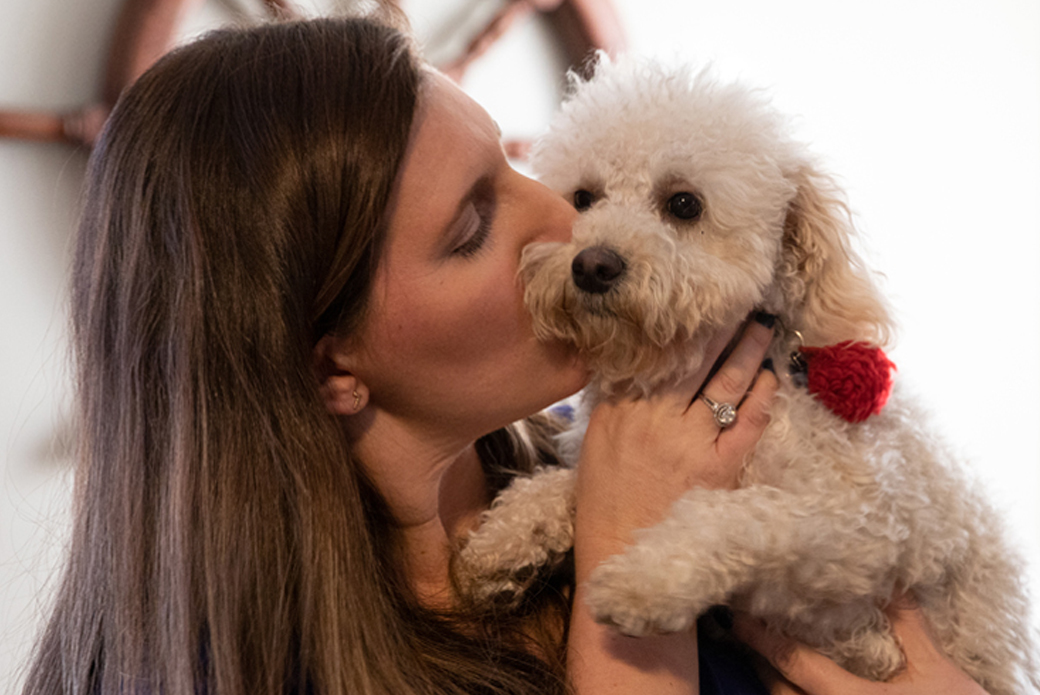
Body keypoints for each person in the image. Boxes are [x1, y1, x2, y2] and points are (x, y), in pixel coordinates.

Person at [21, 14, 991, 695]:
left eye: (517, 167)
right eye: (472, 225)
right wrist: (623, 546)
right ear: (330, 366)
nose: (561, 226)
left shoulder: (640, 444)